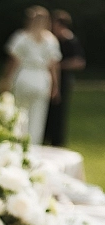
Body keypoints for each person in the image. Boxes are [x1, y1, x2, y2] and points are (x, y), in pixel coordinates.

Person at [1, 6, 61, 145]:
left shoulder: (21, 37)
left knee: (20, 112)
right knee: (38, 117)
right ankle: (33, 145)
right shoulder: (51, 40)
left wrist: (6, 79)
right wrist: (55, 85)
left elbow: (13, 61)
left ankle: (17, 143)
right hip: (41, 78)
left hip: (25, 75)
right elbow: (53, 66)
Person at [44, 10, 85, 146]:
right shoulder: (52, 39)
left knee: (59, 110)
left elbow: (79, 62)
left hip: (64, 80)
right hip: (50, 78)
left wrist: (59, 65)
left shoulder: (70, 40)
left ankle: (56, 140)